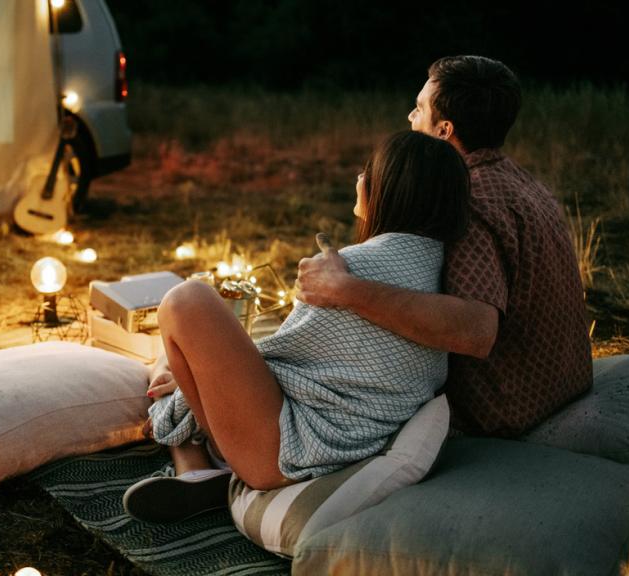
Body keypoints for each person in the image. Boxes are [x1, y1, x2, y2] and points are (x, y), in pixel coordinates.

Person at [123, 131, 470, 523]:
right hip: (345, 443)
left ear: (389, 190)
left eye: (367, 171)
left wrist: (197, 384)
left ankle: (193, 463)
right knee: (170, 369)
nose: (359, 178)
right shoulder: (440, 282)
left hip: (285, 452)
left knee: (185, 303)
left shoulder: (352, 268)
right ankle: (198, 468)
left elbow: (278, 357)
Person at [296, 55, 592, 437]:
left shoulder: (466, 201)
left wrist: (345, 289)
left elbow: (475, 330)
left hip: (504, 408)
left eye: (419, 109)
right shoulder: (520, 182)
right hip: (561, 383)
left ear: (443, 130)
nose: (409, 117)